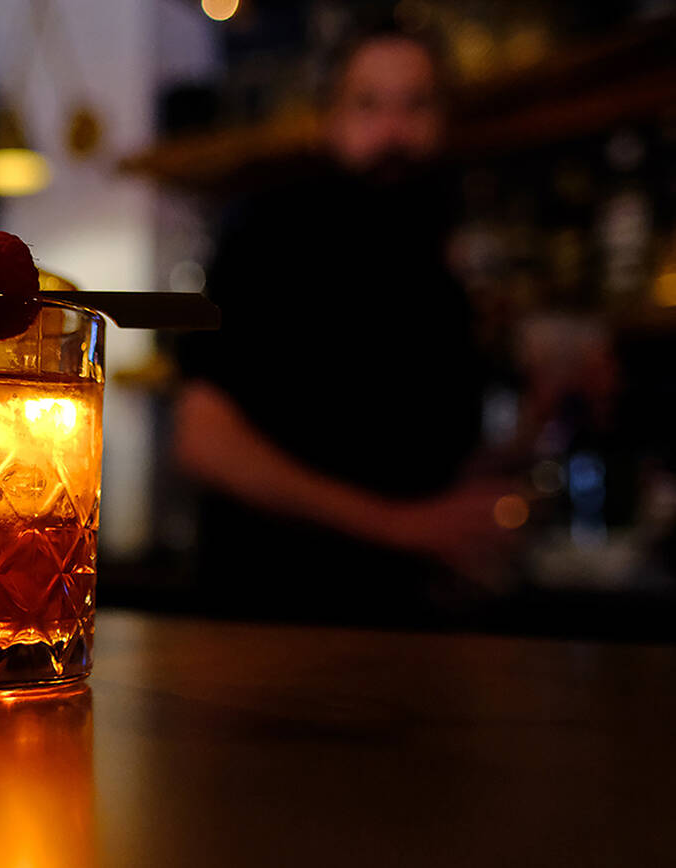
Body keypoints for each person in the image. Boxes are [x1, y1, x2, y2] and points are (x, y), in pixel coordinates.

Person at [174, 23, 516, 626]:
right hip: (270, 619)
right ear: (328, 117)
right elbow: (203, 441)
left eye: (416, 104)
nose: (394, 131)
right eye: (368, 105)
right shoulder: (273, 235)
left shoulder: (445, 268)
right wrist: (405, 529)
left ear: (444, 119)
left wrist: (548, 405)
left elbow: (437, 465)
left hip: (414, 629)